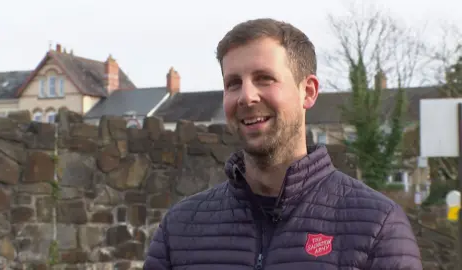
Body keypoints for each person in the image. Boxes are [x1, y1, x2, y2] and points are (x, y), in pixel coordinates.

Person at [144, 18, 422, 270]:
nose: (247, 96)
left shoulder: (376, 226)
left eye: (264, 79)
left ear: (308, 92)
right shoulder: (180, 229)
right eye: (233, 83)